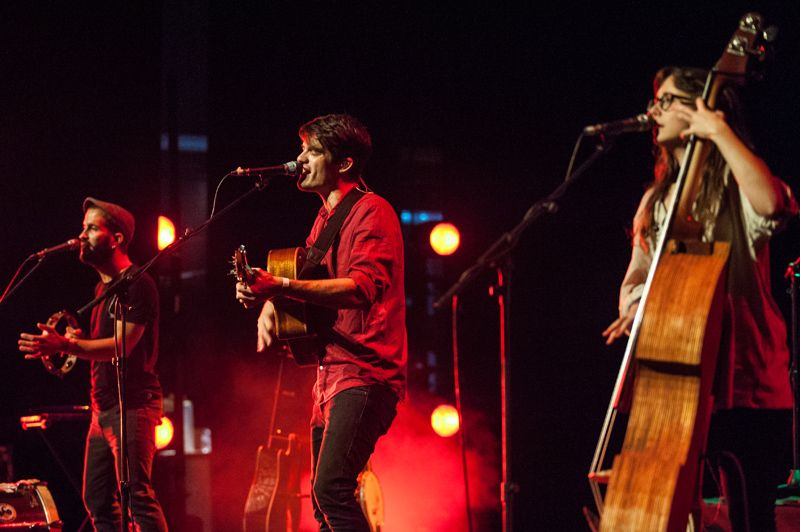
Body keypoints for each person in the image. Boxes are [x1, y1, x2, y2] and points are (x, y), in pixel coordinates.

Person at [602, 66, 797, 531]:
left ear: (702, 107)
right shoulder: (655, 203)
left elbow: (771, 205)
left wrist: (718, 131)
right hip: (677, 387)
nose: (654, 111)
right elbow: (637, 280)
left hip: (751, 385)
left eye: (667, 101)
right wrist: (635, 309)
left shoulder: (736, 185)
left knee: (753, 519)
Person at [235, 113, 406, 530]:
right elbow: (305, 280)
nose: (300, 159)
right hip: (330, 377)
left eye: (313, 151)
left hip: (366, 373)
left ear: (344, 163)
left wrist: (279, 286)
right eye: (303, 149)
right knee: (321, 504)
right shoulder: (324, 222)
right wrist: (269, 303)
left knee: (331, 489)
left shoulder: (372, 212)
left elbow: (359, 288)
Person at [19, 198, 168, 531]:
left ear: (115, 238)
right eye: (82, 227)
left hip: (133, 408)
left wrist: (67, 344)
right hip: (103, 411)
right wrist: (72, 342)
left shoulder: (138, 284)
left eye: (90, 228)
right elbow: (101, 344)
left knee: (138, 498)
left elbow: (121, 345)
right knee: (98, 499)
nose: (81, 235)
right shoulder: (102, 288)